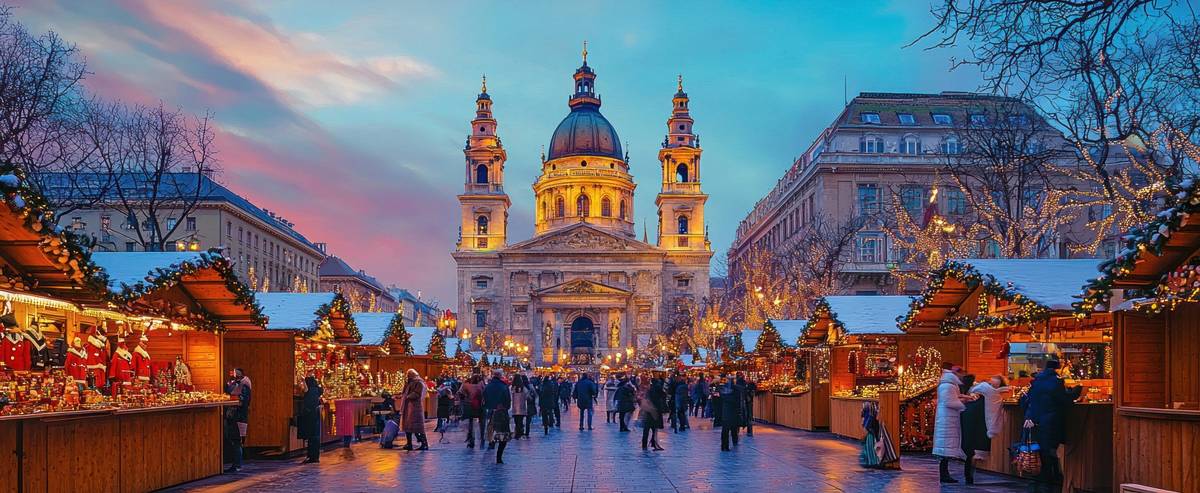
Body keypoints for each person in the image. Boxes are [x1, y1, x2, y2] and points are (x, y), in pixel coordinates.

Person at [1022, 359, 1082, 492]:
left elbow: (1028, 399)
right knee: (1050, 451)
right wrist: (1077, 390)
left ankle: (1040, 480)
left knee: (1040, 449)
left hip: (1035, 420)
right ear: (1056, 368)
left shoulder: (1036, 381)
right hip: (1050, 421)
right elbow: (1065, 399)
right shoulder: (1056, 382)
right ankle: (1051, 481)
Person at [933, 364, 974, 483]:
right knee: (945, 448)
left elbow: (952, 398)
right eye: (961, 373)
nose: (962, 376)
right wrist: (964, 405)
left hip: (947, 418)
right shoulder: (948, 385)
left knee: (946, 448)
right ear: (956, 374)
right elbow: (949, 402)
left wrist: (963, 397)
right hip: (947, 419)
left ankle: (945, 474)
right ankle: (944, 475)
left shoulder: (949, 384)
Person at [959, 374, 989, 484]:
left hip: (965, 425)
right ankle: (968, 476)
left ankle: (968, 476)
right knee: (970, 451)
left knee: (968, 450)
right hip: (975, 428)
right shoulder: (979, 400)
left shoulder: (964, 396)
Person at [224, 369, 251, 473]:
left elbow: (241, 400)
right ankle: (236, 464)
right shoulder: (243, 385)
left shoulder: (243, 386)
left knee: (237, 441)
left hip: (239, 417)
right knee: (236, 440)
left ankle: (237, 464)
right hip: (239, 416)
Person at [483, 368, 512, 458]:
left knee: (491, 429)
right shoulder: (503, 386)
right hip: (501, 412)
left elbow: (484, 399)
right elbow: (508, 400)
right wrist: (505, 407)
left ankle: (492, 442)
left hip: (490, 411)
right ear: (500, 375)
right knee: (503, 434)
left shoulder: (487, 386)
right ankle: (499, 456)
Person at [400, 369, 429, 451]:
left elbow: (417, 394)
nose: (407, 376)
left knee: (417, 426)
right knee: (408, 426)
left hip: (415, 407)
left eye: (408, 374)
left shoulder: (418, 382)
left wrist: (408, 396)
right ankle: (409, 443)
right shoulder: (411, 382)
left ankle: (424, 443)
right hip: (409, 407)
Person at [298, 375, 323, 464]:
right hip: (316, 415)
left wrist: (302, 380)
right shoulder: (318, 390)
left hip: (309, 415)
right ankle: (315, 457)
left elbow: (305, 389)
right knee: (315, 436)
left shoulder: (309, 390)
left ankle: (310, 456)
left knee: (310, 436)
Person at [457, 374, 484, 448]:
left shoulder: (466, 386)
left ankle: (471, 440)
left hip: (469, 407)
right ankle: (482, 439)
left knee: (470, 424)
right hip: (479, 407)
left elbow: (460, 394)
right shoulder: (481, 385)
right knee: (482, 424)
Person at [719, 373, 744, 451]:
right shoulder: (737, 391)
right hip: (733, 412)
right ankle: (734, 441)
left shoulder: (723, 392)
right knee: (733, 428)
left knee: (725, 430)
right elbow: (738, 401)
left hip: (726, 413)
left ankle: (724, 446)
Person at [641, 376, 667, 451]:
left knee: (647, 429)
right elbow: (663, 396)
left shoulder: (649, 390)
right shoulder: (658, 390)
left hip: (648, 412)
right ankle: (655, 444)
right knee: (654, 429)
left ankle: (645, 444)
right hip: (654, 412)